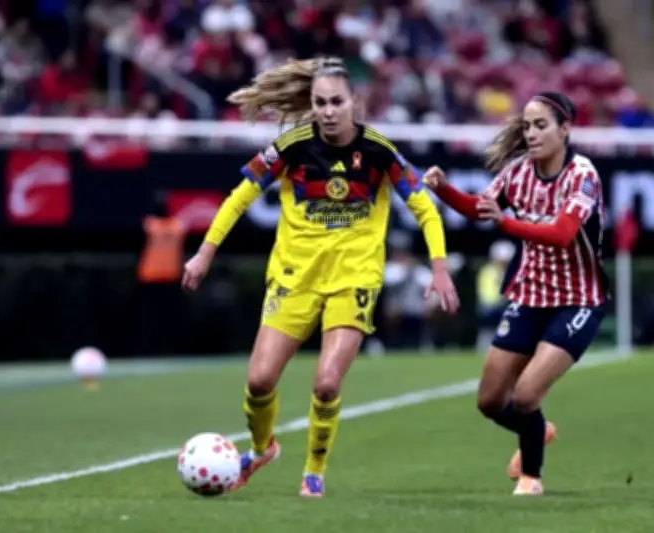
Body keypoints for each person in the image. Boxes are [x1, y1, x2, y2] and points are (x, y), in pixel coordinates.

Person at [182, 57, 459, 498]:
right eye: (320, 103)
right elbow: (239, 198)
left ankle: (314, 470)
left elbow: (424, 207)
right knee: (258, 382)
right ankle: (261, 448)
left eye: (336, 102)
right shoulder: (290, 147)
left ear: (355, 102)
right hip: (294, 277)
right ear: (311, 105)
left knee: (327, 382)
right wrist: (204, 253)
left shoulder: (379, 152)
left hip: (354, 278)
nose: (328, 111)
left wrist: (440, 269)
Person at [423, 92, 608, 496]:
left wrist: (505, 224)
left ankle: (532, 478)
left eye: (541, 125)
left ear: (565, 129)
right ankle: (540, 430)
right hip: (530, 297)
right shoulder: (518, 172)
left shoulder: (583, 175)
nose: (531, 133)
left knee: (526, 395)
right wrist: (443, 189)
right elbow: (479, 209)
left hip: (578, 300)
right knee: (490, 401)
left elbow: (562, 234)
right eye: (527, 126)